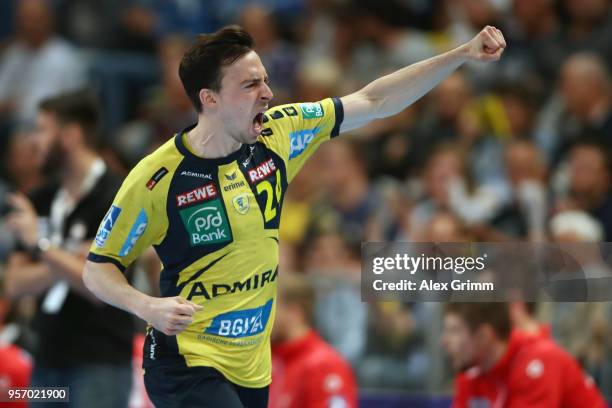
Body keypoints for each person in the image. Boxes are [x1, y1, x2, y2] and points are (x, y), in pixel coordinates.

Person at [83, 24, 507, 407]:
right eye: (250, 85)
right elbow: (98, 268)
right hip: (184, 362)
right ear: (209, 99)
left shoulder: (279, 132)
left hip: (251, 363)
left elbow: (374, 100)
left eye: (265, 79)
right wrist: (147, 307)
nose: (267, 93)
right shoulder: (157, 178)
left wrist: (460, 55)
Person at [4, 90, 134, 407]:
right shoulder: (41, 199)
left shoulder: (118, 195)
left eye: (42, 130)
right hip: (45, 359)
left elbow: (99, 286)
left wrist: (41, 245)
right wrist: (74, 260)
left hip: (99, 363)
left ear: (71, 135)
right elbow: (14, 284)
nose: (34, 141)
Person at [441, 302, 607, 407]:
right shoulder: (470, 372)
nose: (444, 341)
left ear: (484, 335)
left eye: (454, 331)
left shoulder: (540, 360)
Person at [269, 272, 357, 408]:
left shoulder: (324, 365)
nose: (261, 317)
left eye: (269, 308)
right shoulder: (271, 359)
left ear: (294, 312)